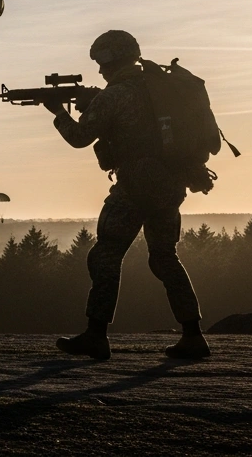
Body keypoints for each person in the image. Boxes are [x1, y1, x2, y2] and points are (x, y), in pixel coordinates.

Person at [46, 30, 209, 361]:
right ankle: (193, 335)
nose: (101, 72)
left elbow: (79, 137)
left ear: (111, 60)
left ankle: (96, 335)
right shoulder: (155, 87)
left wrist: (57, 112)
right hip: (169, 185)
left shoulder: (115, 95)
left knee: (105, 255)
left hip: (136, 185)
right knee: (164, 257)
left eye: (102, 64)